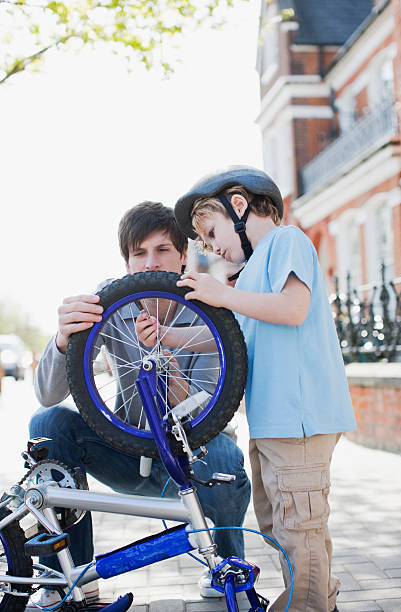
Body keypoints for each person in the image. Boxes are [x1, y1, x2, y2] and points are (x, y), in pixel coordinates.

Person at [29, 201, 251, 607]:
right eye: (140, 253)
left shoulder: (211, 311)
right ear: (126, 262)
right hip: (126, 450)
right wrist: (62, 339)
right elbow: (47, 393)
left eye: (163, 250)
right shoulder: (110, 303)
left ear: (183, 256)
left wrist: (165, 360)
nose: (151, 261)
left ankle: (226, 564)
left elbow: (208, 414)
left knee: (229, 458)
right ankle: (75, 576)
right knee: (49, 423)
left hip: (193, 458)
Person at [169, 165, 356, 612]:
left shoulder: (286, 241)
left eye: (213, 233)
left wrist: (224, 295)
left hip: (300, 420)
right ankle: (316, 600)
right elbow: (234, 337)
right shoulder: (251, 273)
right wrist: (169, 337)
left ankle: (306, 605)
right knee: (283, 526)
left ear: (239, 206)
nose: (215, 248)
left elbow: (293, 308)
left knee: (299, 529)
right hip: (274, 423)